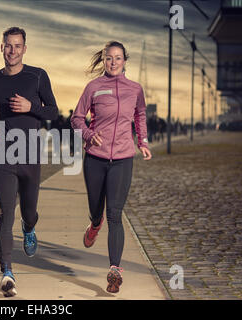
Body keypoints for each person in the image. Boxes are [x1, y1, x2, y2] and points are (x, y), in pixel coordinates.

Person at [71, 41, 152, 294]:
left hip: (123, 158)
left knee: (115, 214)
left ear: (125, 60)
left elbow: (140, 115)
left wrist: (143, 142)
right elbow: (75, 118)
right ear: (103, 61)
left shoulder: (135, 89)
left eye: (118, 58)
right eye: (108, 58)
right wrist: (87, 134)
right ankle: (95, 224)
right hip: (95, 158)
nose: (113, 62)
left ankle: (114, 269)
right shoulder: (93, 87)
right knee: (98, 210)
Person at [0, 26, 58, 297]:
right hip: (4, 156)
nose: (12, 50)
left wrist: (31, 108)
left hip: (30, 157)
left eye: (17, 46)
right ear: (1, 46)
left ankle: (29, 227)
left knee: (28, 212)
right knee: (6, 214)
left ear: (25, 48)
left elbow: (53, 111)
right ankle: (7, 273)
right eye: (8, 45)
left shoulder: (37, 76)